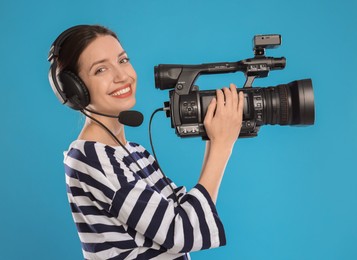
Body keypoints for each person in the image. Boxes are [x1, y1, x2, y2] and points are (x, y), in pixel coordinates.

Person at [48, 24, 244, 260]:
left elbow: (187, 214)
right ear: (75, 90)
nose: (122, 76)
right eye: (101, 70)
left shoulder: (133, 153)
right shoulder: (92, 158)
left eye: (123, 60)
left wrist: (215, 139)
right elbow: (181, 234)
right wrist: (222, 146)